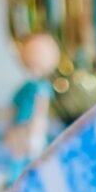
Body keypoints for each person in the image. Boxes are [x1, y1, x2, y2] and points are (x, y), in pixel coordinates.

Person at [4, 32, 61, 182]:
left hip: (32, 126)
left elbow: (41, 109)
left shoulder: (42, 88)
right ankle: (15, 179)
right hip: (20, 125)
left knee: (33, 153)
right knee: (18, 153)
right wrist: (10, 126)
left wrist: (38, 123)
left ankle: (31, 180)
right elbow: (14, 106)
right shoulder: (27, 87)